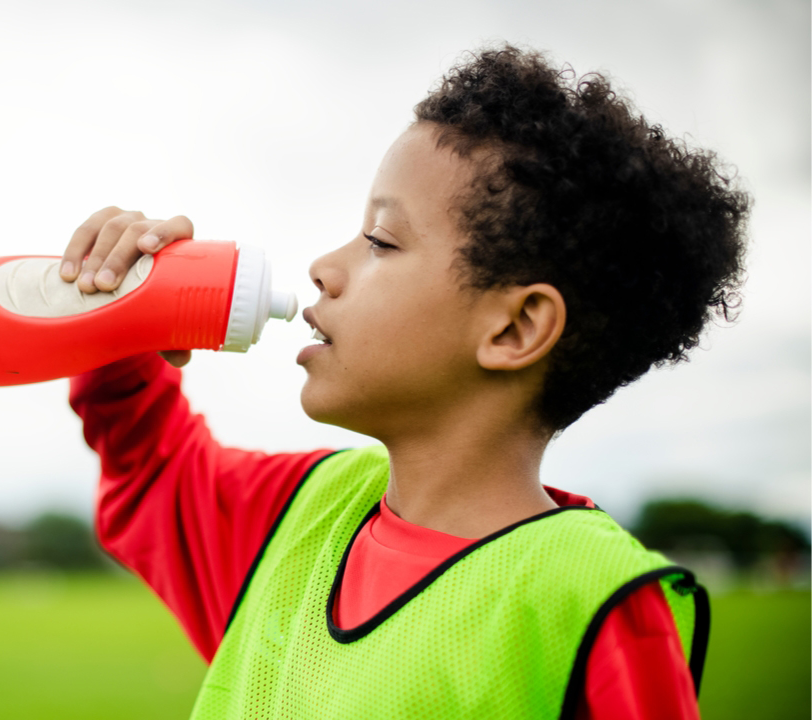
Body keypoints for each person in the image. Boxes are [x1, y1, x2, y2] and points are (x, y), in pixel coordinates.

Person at [59, 45, 748, 719]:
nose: (324, 268)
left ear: (514, 329)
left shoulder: (593, 608)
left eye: (381, 242)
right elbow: (151, 463)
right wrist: (124, 315)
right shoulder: (296, 518)